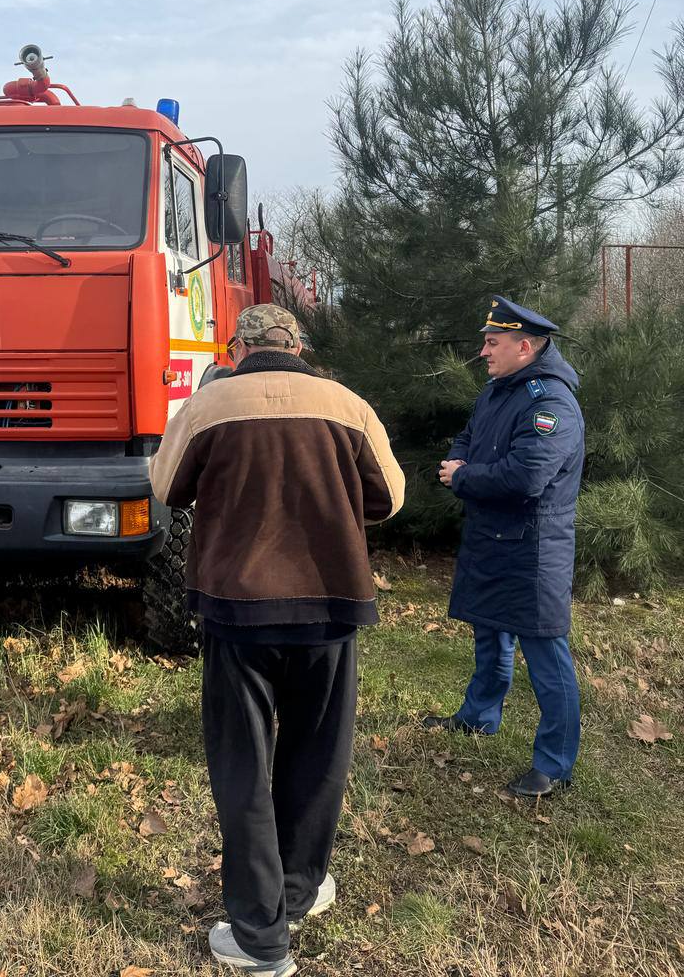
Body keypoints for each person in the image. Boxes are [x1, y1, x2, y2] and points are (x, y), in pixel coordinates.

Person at [149, 304, 405, 977]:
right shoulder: (346, 404)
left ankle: (261, 939)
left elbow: (166, 487)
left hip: (238, 611)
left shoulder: (211, 406)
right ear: (298, 344)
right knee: (319, 756)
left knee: (243, 767)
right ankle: (299, 891)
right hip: (330, 606)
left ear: (236, 347)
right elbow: (390, 499)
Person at [428, 295, 585, 798]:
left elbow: (527, 476)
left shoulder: (549, 402)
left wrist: (465, 476)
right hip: (494, 538)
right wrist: (459, 462)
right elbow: (467, 436)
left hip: (534, 548)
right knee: (489, 633)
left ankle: (555, 765)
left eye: (492, 342)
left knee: (545, 653)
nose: (483, 351)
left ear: (525, 346)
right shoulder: (499, 390)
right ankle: (479, 716)